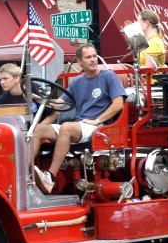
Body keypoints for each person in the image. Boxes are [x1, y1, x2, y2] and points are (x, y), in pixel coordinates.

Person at [32, 44, 127, 194]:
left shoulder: (108, 76)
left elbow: (119, 104)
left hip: (100, 127)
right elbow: (60, 104)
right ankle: (25, 177)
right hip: (80, 125)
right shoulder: (77, 81)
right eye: (88, 57)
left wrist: (97, 120)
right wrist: (40, 99)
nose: (93, 60)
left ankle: (49, 177)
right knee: (37, 129)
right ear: (80, 61)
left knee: (66, 127)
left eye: (94, 56)